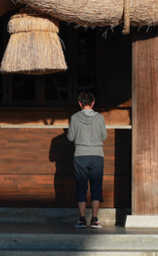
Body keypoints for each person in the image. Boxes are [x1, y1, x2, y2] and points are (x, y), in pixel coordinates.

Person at [67, 91, 107, 229]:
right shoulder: (100, 118)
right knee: (96, 187)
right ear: (93, 103)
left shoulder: (74, 117)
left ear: (80, 103)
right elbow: (104, 136)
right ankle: (95, 219)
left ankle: (82, 219)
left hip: (80, 155)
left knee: (81, 187)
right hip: (97, 155)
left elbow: (70, 137)